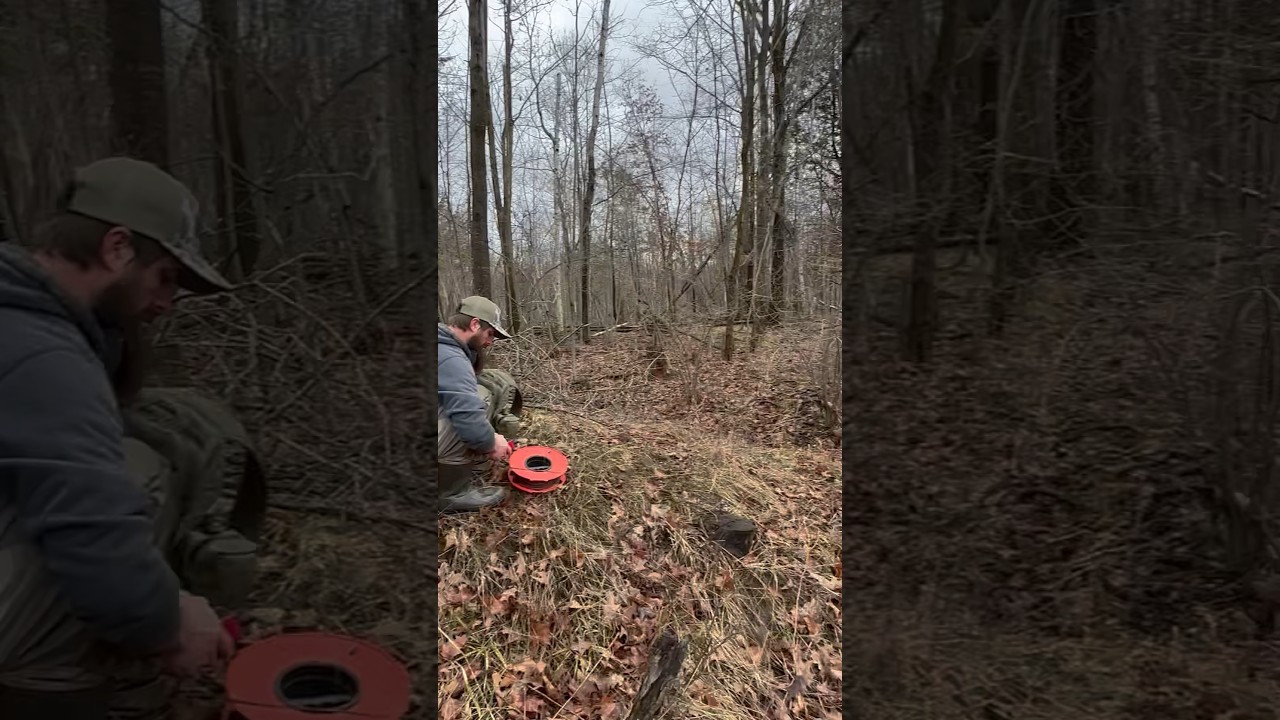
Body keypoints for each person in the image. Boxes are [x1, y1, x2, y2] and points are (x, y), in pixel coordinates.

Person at [0, 157, 236, 717]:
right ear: (118, 248)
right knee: (139, 470)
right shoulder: (43, 355)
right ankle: (51, 689)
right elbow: (91, 529)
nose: (166, 302)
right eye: (166, 278)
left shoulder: (21, 318)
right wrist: (170, 622)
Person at [438, 295, 515, 513]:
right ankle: (451, 493)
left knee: (482, 386)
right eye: (490, 333)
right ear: (474, 324)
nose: (490, 342)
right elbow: (467, 415)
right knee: (478, 399)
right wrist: (491, 443)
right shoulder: (451, 358)